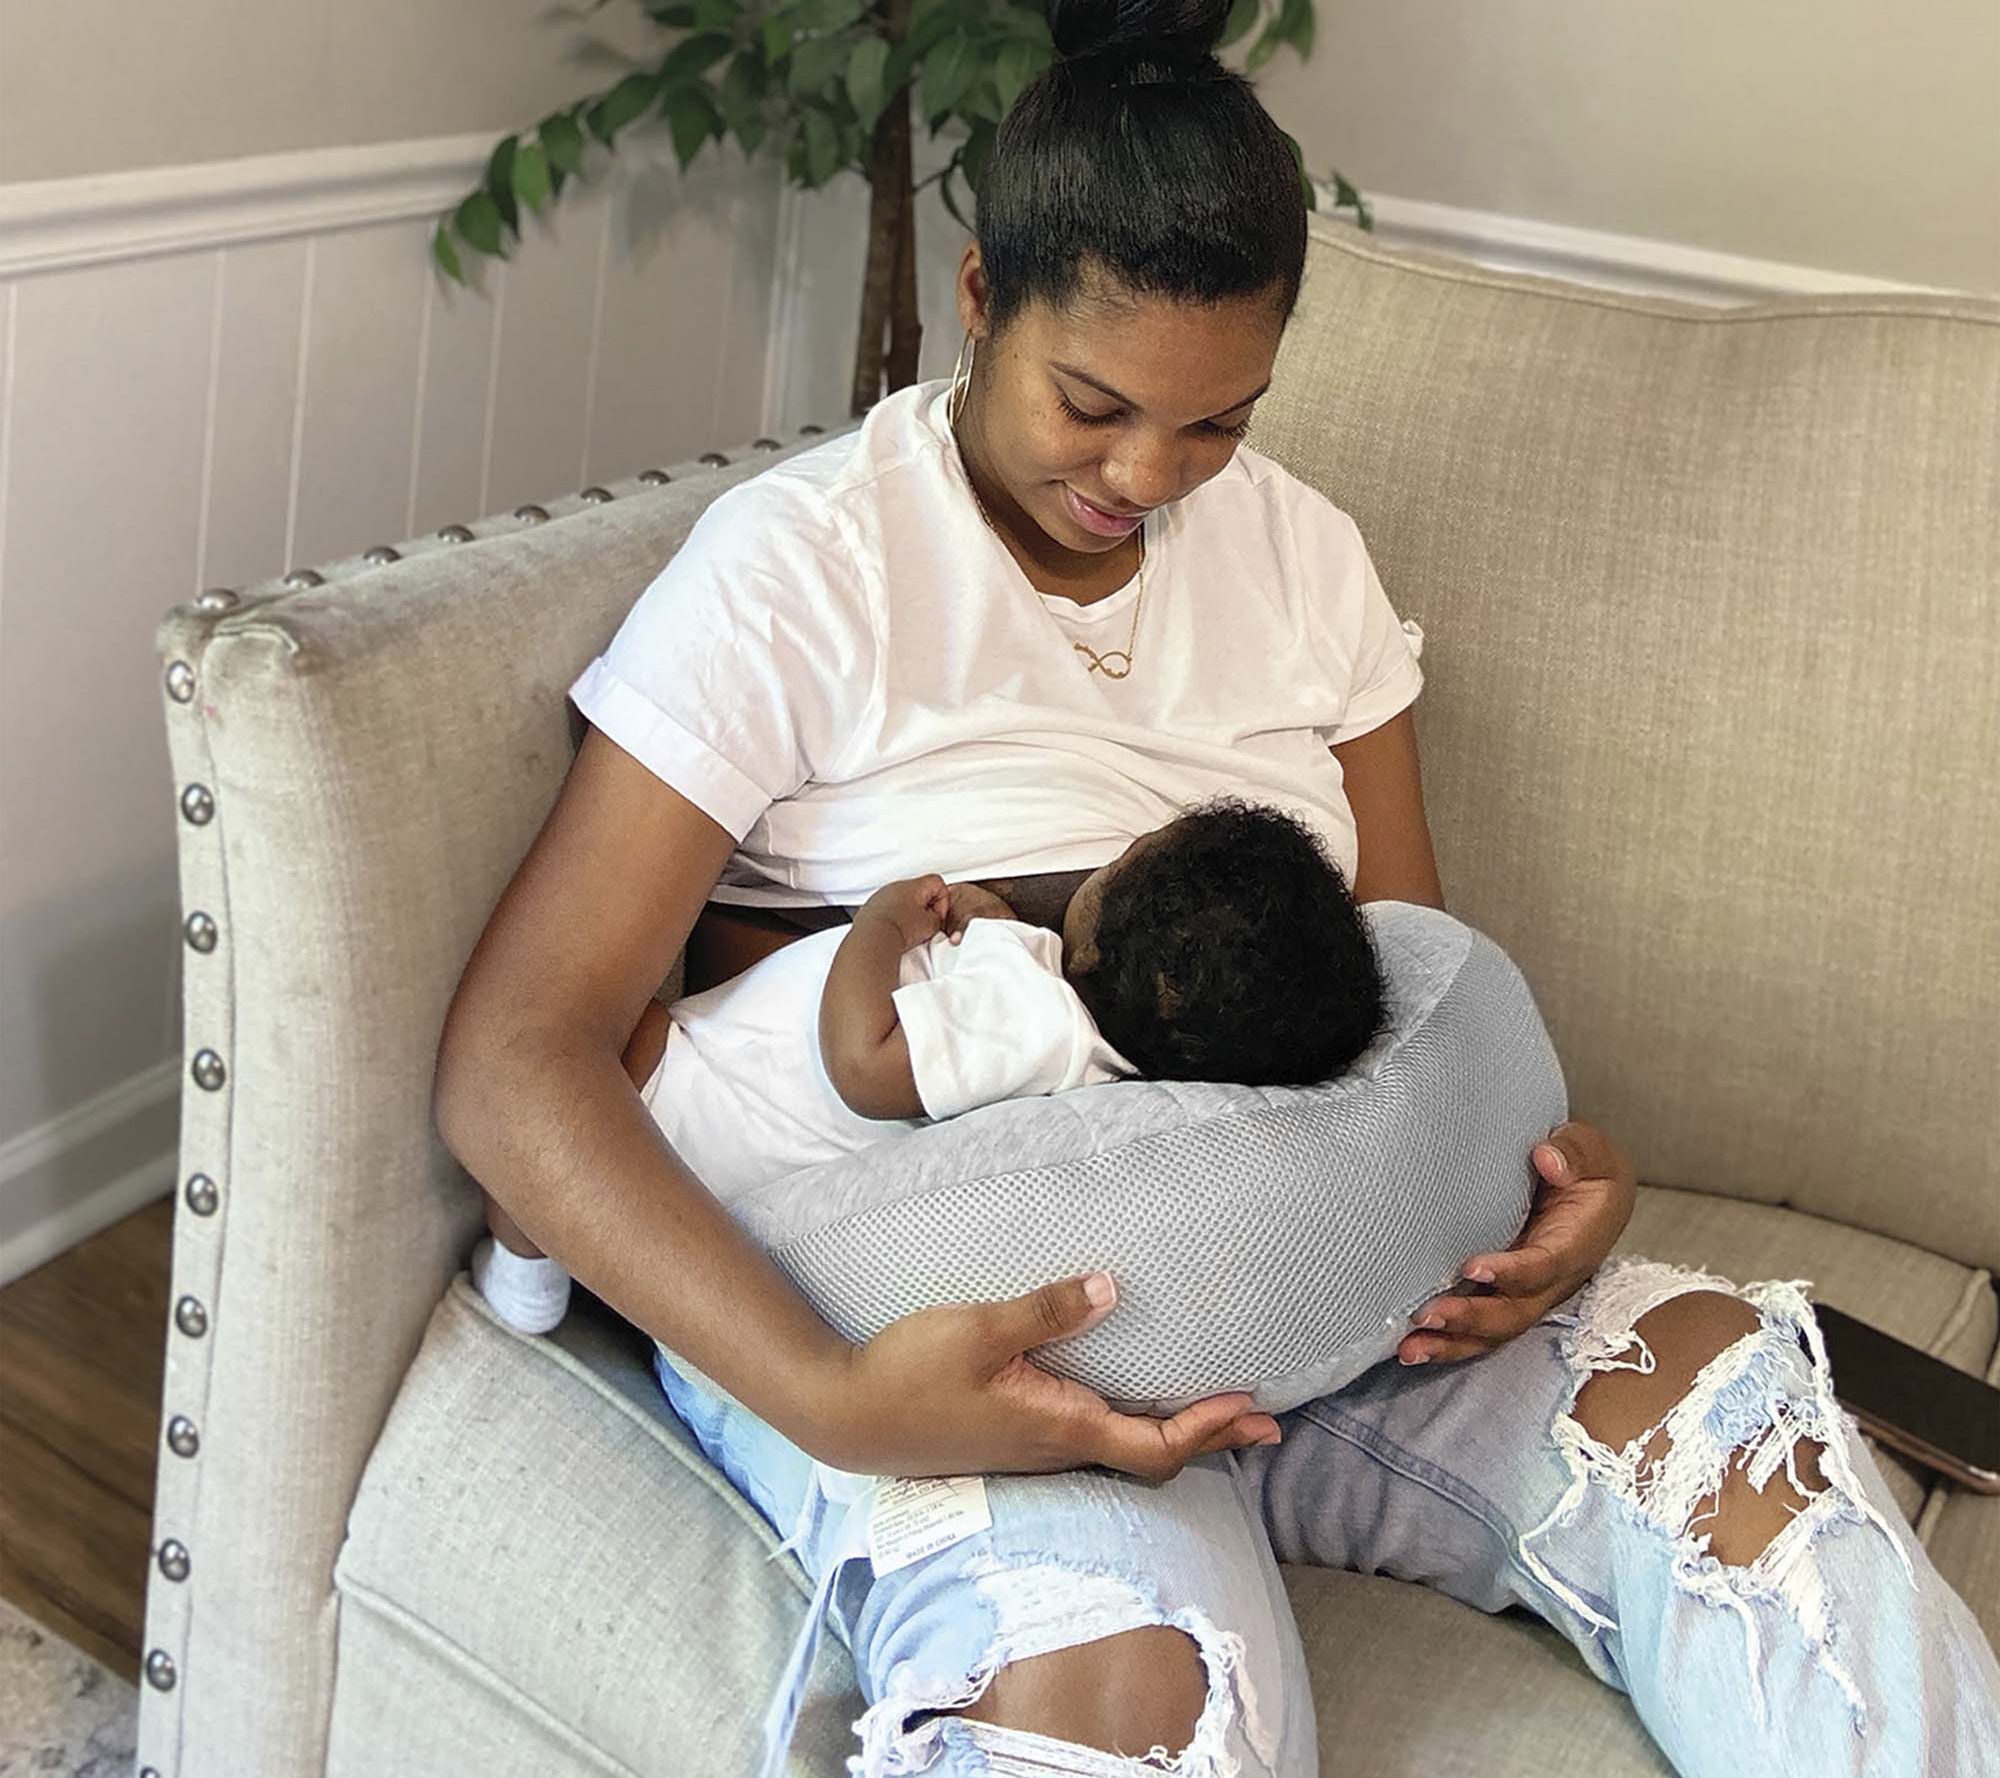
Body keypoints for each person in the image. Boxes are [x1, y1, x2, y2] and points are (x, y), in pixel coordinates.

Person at [432, 0, 2000, 1768]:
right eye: (1093, 405)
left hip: (1358, 1306)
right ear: (977, 296)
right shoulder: (799, 572)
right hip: (969, 1338)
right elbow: (516, 1057)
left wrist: (1557, 1175)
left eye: (1215, 425)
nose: (1144, 478)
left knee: (1736, 1437)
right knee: (1124, 1689)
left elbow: (1410, 982)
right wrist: (832, 1400)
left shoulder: (1307, 560)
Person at [474, 797, 1386, 1334]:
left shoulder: (1042, 1028)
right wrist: (989, 922)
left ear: (1104, 945)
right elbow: (988, 998)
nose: (1104, 864)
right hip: (719, 1106)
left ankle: (528, 1270)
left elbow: (863, 1064)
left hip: (697, 1103)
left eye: (1119, 866)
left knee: (560, 1069)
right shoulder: (1077, 1028)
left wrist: (879, 925)